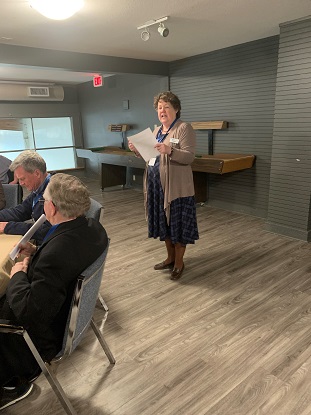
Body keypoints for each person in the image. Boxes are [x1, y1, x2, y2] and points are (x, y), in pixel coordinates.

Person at [0, 173, 109, 410]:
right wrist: (36, 250)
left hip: (34, 339)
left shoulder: (58, 253)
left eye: (44, 201)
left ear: (51, 207)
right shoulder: (94, 229)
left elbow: (29, 311)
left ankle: (11, 384)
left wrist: (19, 273)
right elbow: (62, 262)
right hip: (65, 308)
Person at [128, 91, 199, 280]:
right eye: (160, 107)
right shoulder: (156, 131)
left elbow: (189, 157)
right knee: (164, 225)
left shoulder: (184, 128)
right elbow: (151, 157)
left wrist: (170, 150)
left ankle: (179, 263)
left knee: (178, 226)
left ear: (176, 109)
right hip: (157, 187)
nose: (163, 110)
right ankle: (169, 258)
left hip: (177, 189)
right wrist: (137, 151)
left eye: (167, 106)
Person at [0, 150, 51, 244]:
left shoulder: (56, 192)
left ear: (37, 173)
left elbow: (47, 230)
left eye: (22, 179)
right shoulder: (38, 190)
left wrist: (8, 227)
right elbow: (19, 212)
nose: (21, 183)